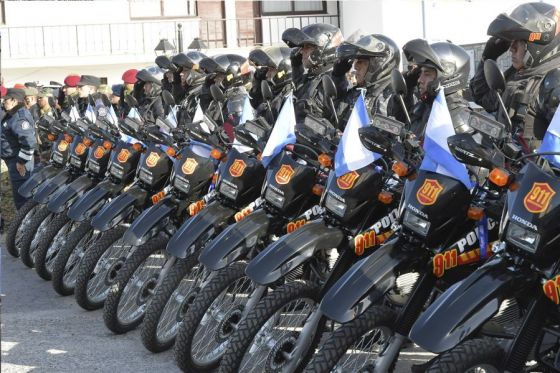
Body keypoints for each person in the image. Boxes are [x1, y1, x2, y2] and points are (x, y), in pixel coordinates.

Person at [470, 2, 560, 151]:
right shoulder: (516, 76)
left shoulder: (553, 82)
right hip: (507, 170)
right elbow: (483, 98)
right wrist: (488, 56)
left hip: (536, 173)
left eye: (518, 42)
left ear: (538, 43)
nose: (511, 48)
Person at [394, 39, 472, 139]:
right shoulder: (423, 107)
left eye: (427, 74)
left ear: (448, 76)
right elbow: (399, 120)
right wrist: (407, 85)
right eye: (419, 73)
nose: (419, 80)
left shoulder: (459, 117)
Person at [331, 34, 401, 129]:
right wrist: (338, 77)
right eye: (356, 61)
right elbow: (335, 118)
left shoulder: (394, 97)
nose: (355, 66)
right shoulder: (356, 92)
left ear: (378, 64)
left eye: (360, 62)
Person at [282, 23, 344, 123]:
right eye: (301, 47)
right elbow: (299, 92)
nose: (301, 51)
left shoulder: (333, 81)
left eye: (307, 47)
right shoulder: (312, 78)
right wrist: (296, 66)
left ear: (322, 48)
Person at [0, 88, 37, 209]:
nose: (3, 102)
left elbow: (29, 143)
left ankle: (25, 225)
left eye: (6, 100)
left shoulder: (19, 117)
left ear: (14, 100)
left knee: (22, 197)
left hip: (19, 162)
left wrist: (21, 162)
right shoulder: (12, 114)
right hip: (14, 160)